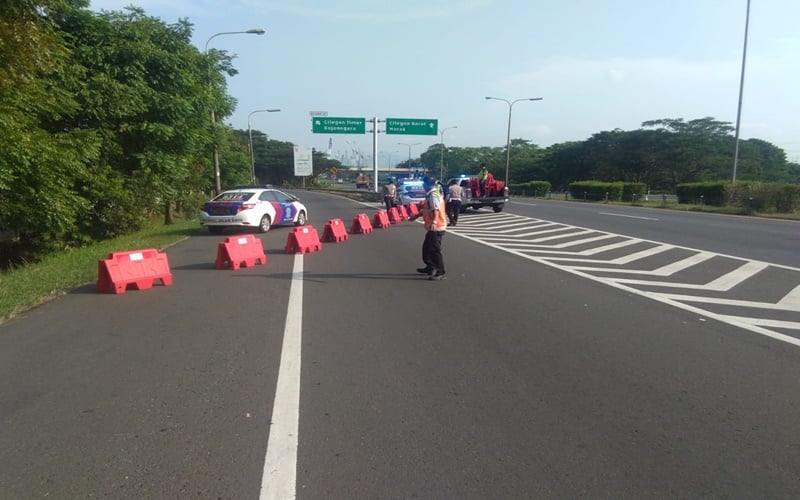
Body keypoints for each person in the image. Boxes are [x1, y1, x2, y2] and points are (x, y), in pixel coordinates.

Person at [416, 175, 447, 280]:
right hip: (432, 227)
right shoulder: (431, 194)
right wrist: (416, 215)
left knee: (434, 250)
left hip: (436, 227)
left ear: (427, 185)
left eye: (423, 184)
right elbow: (427, 209)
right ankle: (430, 267)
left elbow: (435, 210)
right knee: (427, 248)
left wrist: (434, 222)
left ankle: (440, 272)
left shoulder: (433, 195)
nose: (423, 186)